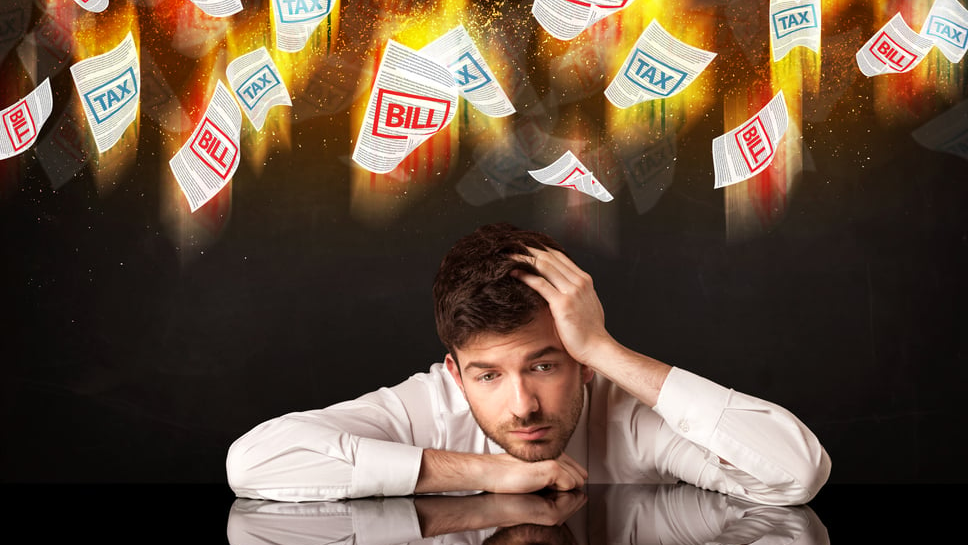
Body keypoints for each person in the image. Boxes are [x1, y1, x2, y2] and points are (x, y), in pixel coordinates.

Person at [227, 223, 830, 504]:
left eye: (545, 366)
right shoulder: (428, 405)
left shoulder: (625, 413)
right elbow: (253, 464)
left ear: (582, 362)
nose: (522, 407)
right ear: (455, 372)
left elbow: (794, 473)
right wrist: (484, 472)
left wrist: (604, 348)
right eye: (488, 375)